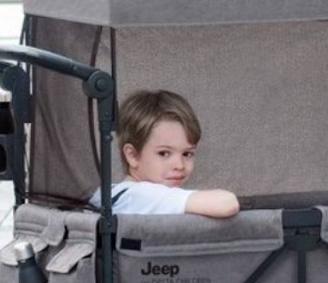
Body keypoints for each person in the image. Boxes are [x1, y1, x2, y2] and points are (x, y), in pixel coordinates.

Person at [89, 89, 239, 217]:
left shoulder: (109, 194)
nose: (179, 165)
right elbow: (227, 203)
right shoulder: (140, 195)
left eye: (187, 154)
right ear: (132, 156)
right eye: (164, 153)